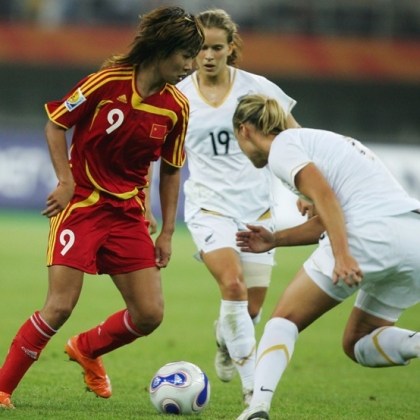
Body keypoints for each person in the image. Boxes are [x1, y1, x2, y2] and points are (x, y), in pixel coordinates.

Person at [0, 6, 204, 409]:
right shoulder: (106, 81)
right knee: (59, 305)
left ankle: (87, 348)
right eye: (186, 55)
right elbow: (56, 124)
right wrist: (66, 180)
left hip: (128, 213)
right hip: (82, 206)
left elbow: (170, 169)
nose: (191, 66)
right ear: (163, 49)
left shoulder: (176, 107)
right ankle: (2, 387)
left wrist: (165, 230)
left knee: (149, 314)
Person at [232, 94, 420, 420]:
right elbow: (328, 214)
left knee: (284, 320)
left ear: (243, 131)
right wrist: (275, 239)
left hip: (368, 236)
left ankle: (257, 408)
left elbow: (326, 197)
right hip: (412, 236)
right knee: (357, 342)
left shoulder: (282, 148)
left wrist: (343, 255)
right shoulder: (318, 141)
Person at [176, 9, 301, 405]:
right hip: (208, 208)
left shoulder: (258, 89)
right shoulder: (178, 96)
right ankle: (252, 391)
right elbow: (160, 155)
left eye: (217, 47)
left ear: (231, 48)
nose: (208, 56)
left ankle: (225, 336)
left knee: (251, 307)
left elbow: (294, 137)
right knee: (232, 285)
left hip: (257, 211)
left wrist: (306, 187)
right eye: (201, 48)